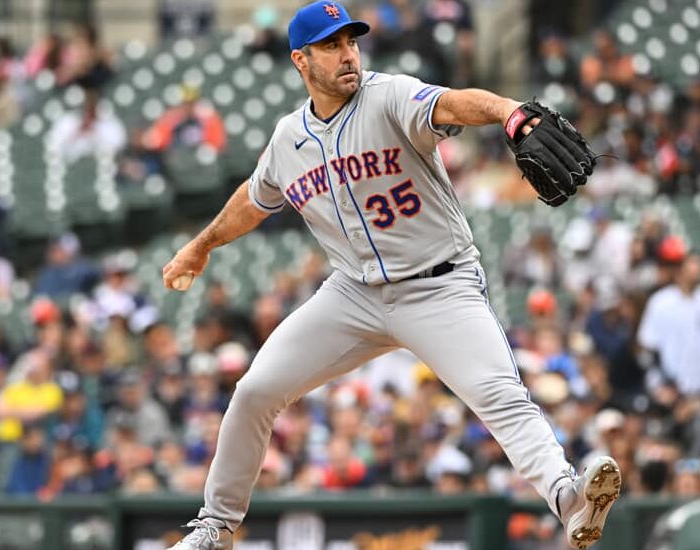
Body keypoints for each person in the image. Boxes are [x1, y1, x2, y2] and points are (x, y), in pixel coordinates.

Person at [160, 3, 620, 549]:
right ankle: (217, 525)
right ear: (300, 61)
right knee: (256, 390)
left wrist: (510, 113)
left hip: (438, 285)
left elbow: (453, 103)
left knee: (498, 394)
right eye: (331, 46)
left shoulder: (389, 95)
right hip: (351, 295)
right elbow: (256, 198)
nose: (347, 54)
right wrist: (202, 243)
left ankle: (569, 499)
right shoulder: (290, 139)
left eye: (351, 42)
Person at [637, 254, 700, 395]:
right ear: (679, 269)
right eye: (692, 263)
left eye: (699, 263)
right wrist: (661, 384)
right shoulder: (660, 302)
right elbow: (649, 346)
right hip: (671, 387)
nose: (698, 268)